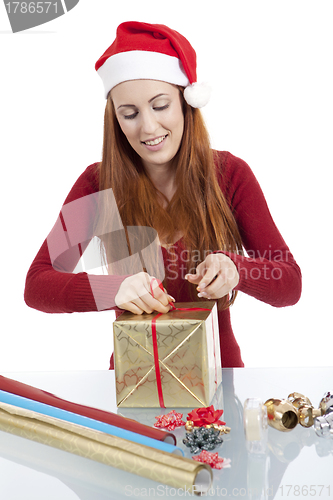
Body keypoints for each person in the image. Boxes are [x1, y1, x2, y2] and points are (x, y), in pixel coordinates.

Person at [24, 21, 302, 368]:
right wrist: (114, 289)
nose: (148, 128)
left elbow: (289, 282)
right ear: (116, 120)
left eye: (160, 106)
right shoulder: (98, 183)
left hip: (218, 378)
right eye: (130, 114)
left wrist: (236, 270)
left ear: (186, 103)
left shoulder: (230, 175)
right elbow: (37, 284)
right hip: (133, 380)